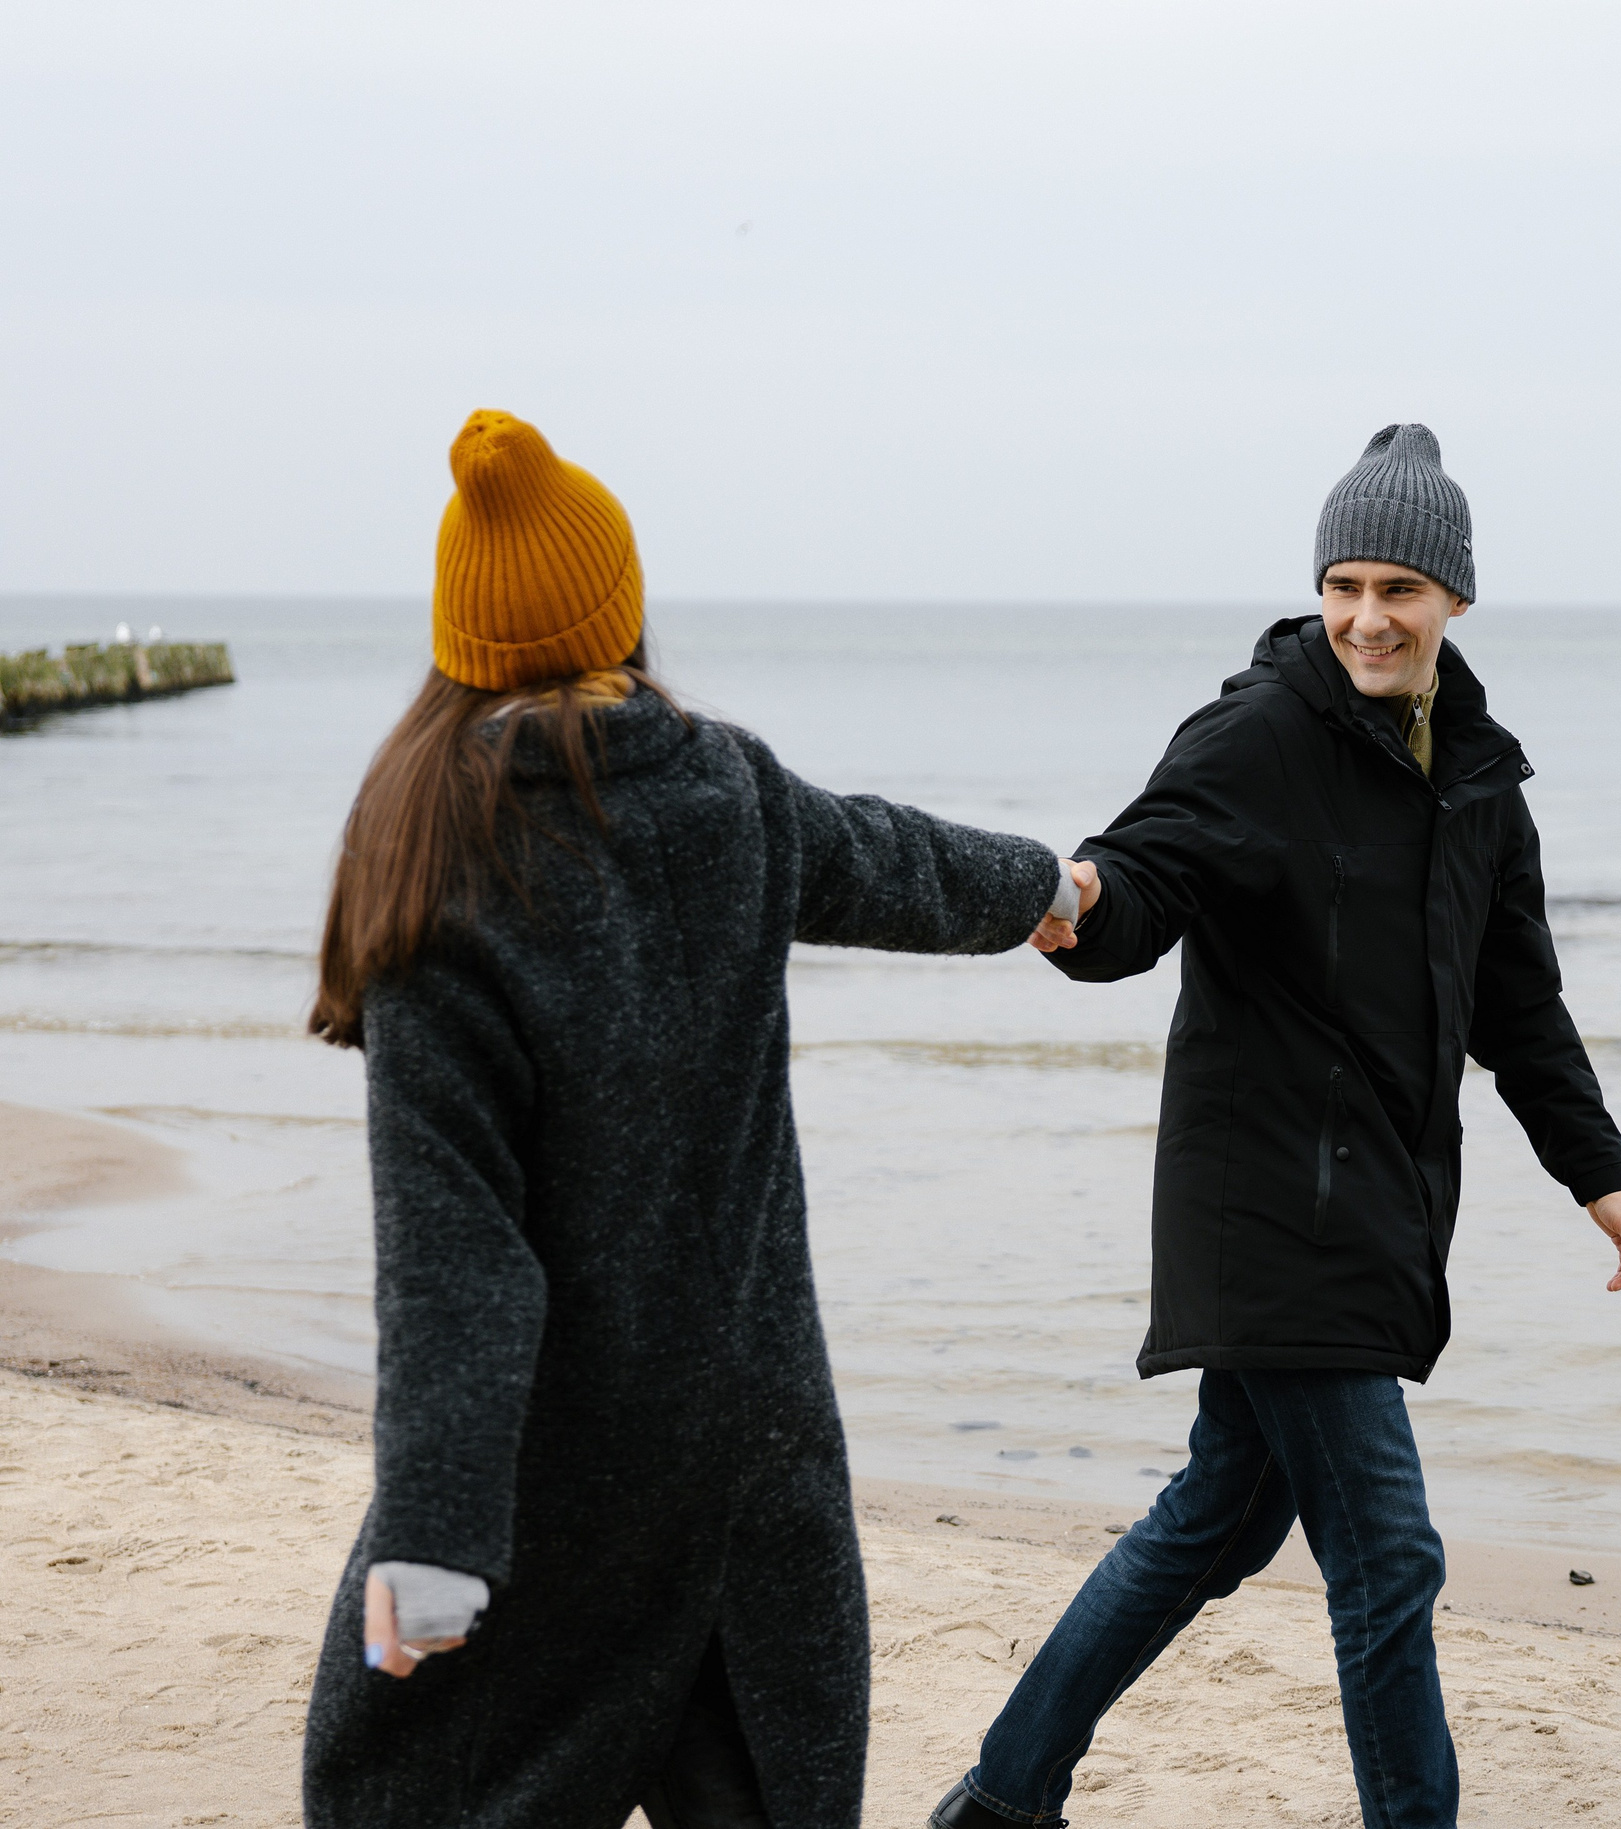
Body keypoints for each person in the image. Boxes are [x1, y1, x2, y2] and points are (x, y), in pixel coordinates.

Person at [299, 410, 1087, 1829]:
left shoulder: (435, 867)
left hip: (564, 1480)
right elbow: (899, 860)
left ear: (461, 645)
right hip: (752, 1444)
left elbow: (457, 1259)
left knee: (418, 1789)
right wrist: (1048, 888)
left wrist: (431, 1538)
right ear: (624, 611)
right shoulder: (727, 786)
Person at [933, 424, 1621, 1829]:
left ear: (1455, 598)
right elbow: (1146, 873)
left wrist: (1599, 1169)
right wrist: (1078, 907)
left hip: (1374, 1199)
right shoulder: (1261, 730)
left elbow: (1519, 1001)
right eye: (1344, 585)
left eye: (1397, 588)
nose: (1365, 618)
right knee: (1390, 1555)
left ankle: (1002, 1797)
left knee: (1216, 1519)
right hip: (1267, 1199)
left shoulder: (1478, 783)